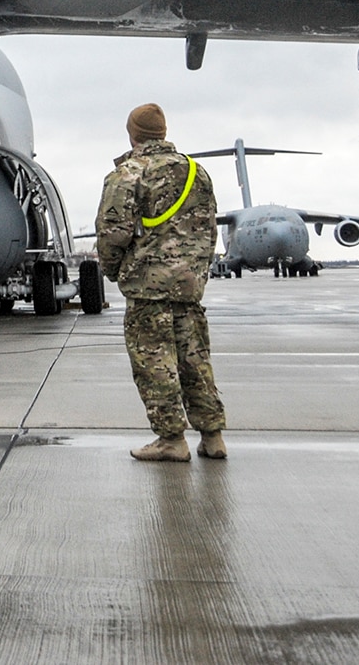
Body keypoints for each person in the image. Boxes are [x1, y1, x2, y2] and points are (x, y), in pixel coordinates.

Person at [95, 102, 228, 463]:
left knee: (156, 364)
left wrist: (114, 271)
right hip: (188, 287)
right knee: (194, 361)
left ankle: (171, 439)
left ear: (133, 134)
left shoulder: (129, 173)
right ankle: (213, 436)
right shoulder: (196, 173)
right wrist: (195, 273)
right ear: (163, 132)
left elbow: (112, 234)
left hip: (148, 288)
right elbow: (209, 230)